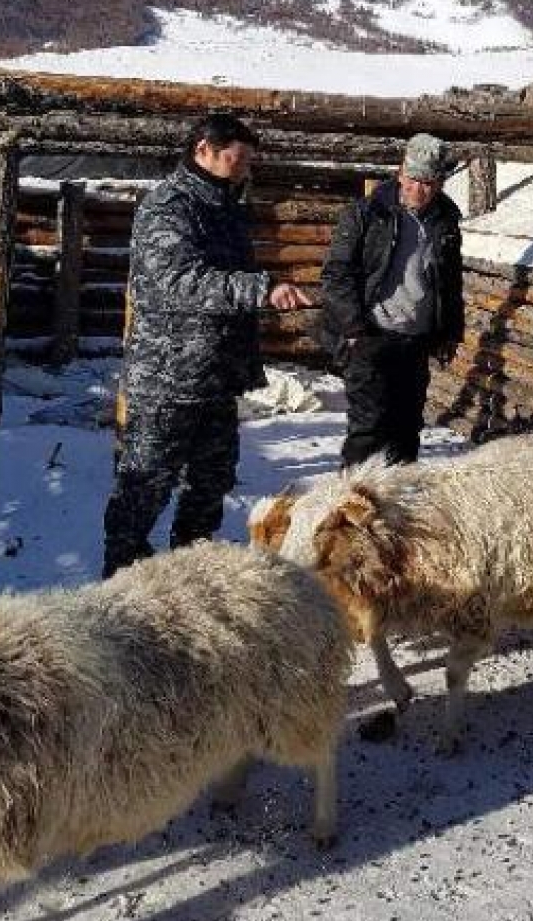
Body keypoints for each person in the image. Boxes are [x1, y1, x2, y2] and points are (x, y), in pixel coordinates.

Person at [102, 114, 310, 578]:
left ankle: (191, 574)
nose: (246, 167)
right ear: (204, 150)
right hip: (168, 379)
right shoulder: (168, 205)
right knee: (145, 484)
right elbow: (178, 281)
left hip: (214, 376)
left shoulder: (226, 207)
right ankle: (118, 577)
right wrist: (260, 290)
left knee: (212, 482)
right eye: (239, 157)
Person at [322, 132, 464, 467]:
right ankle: (349, 506)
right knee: (369, 429)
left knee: (406, 430)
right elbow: (337, 273)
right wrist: (354, 328)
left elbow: (450, 282)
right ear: (400, 173)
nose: (419, 190)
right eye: (413, 180)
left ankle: (398, 508)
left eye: (428, 183)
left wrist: (449, 331)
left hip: (415, 339)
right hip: (370, 335)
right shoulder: (367, 214)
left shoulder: (445, 221)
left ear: (440, 183)